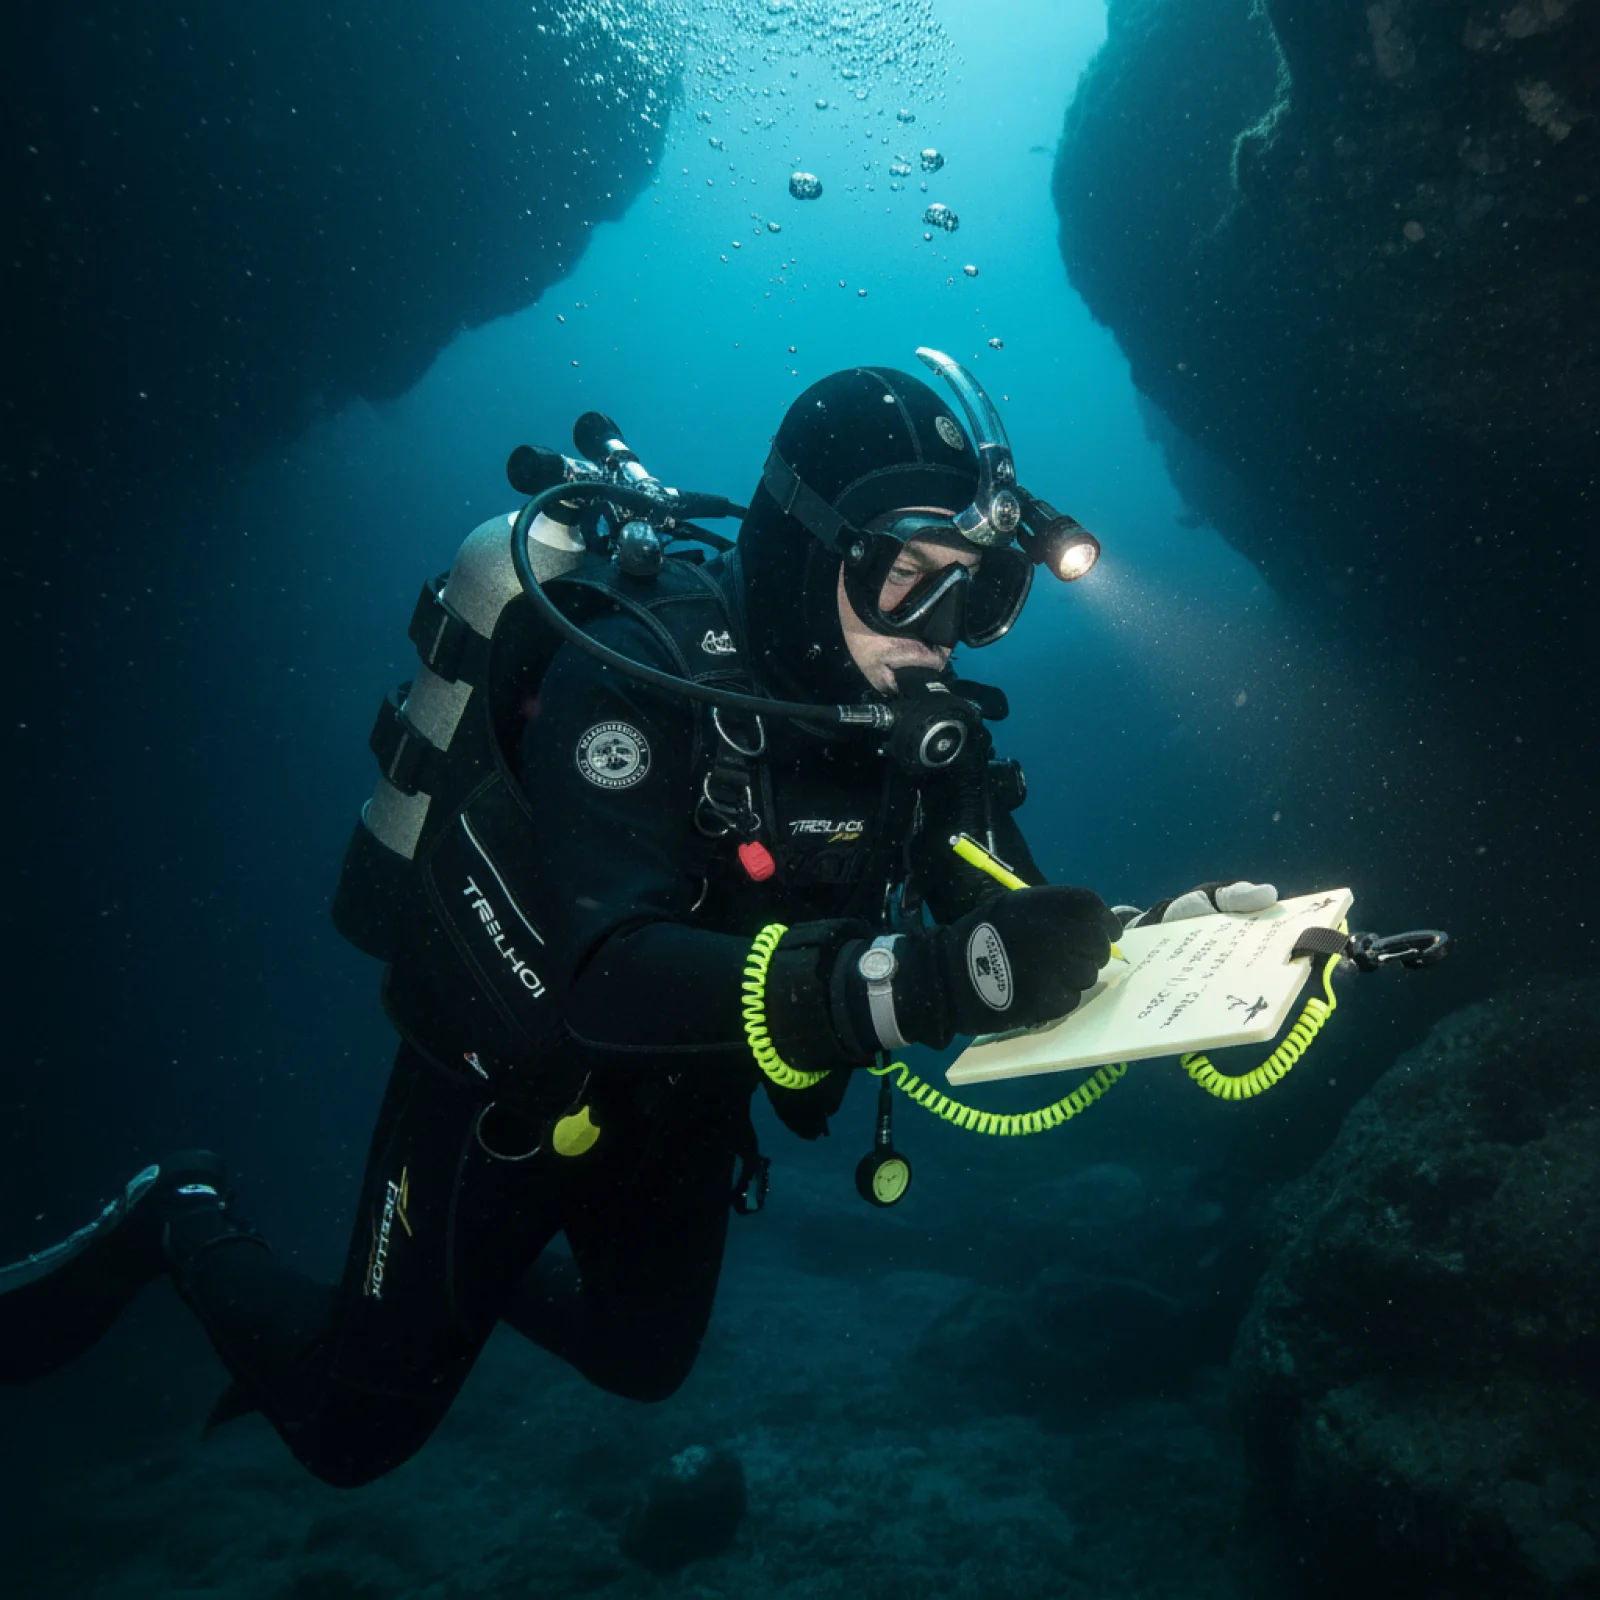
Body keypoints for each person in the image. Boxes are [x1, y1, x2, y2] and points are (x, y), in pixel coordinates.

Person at [0, 355, 1273, 1486]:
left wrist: (1175, 950)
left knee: (644, 1358)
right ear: (804, 548)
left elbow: (1000, 920)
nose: (936, 641)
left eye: (973, 599)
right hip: (501, 1092)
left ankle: (453, 1293)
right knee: (351, 1435)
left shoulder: (916, 734)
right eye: (905, 583)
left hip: (688, 1100)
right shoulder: (631, 671)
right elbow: (605, 974)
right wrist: (915, 986)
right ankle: (182, 1210)